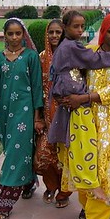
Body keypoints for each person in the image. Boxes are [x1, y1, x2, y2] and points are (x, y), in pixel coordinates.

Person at [58, 14, 110, 219]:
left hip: (109, 121)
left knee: (107, 170)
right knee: (85, 166)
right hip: (83, 120)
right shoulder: (89, 52)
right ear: (103, 31)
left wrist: (82, 98)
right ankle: (88, 207)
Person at [47, 11, 110, 207]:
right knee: (85, 146)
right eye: (76, 27)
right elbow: (93, 60)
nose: (80, 30)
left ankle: (87, 184)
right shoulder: (70, 46)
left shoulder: (66, 47)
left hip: (73, 100)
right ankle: (91, 184)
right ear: (65, 27)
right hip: (77, 103)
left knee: (79, 146)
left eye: (82, 26)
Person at [0, 18, 43, 219]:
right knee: (13, 151)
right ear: (5, 35)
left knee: (13, 156)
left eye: (18, 33)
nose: (15, 38)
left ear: (23, 35)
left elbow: (37, 88)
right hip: (4, 115)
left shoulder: (30, 57)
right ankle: (27, 183)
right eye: (11, 34)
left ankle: (5, 199)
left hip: (24, 114)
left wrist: (37, 117)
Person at [33, 19, 73, 208]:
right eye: (51, 32)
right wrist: (38, 117)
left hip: (68, 113)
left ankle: (64, 192)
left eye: (58, 32)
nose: (55, 36)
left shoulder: (71, 56)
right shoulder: (41, 58)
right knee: (44, 156)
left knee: (66, 156)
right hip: (48, 114)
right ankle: (51, 185)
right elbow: (36, 89)